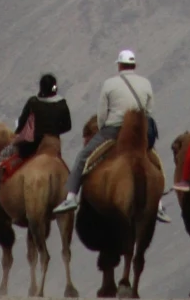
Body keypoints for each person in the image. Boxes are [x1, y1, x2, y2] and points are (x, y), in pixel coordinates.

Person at [53, 48, 162, 217]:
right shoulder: (146, 83)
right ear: (134, 65)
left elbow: (102, 113)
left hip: (114, 129)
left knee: (83, 156)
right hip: (138, 132)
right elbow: (149, 111)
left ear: (119, 66)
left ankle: (71, 197)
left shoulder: (109, 84)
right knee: (155, 163)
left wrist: (103, 127)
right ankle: (159, 204)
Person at [0, 73, 71, 201]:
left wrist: (18, 133)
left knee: (1, 158)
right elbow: (67, 126)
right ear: (55, 88)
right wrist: (53, 130)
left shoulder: (33, 102)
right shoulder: (62, 103)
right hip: (54, 144)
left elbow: (21, 123)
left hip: (32, 145)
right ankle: (72, 193)